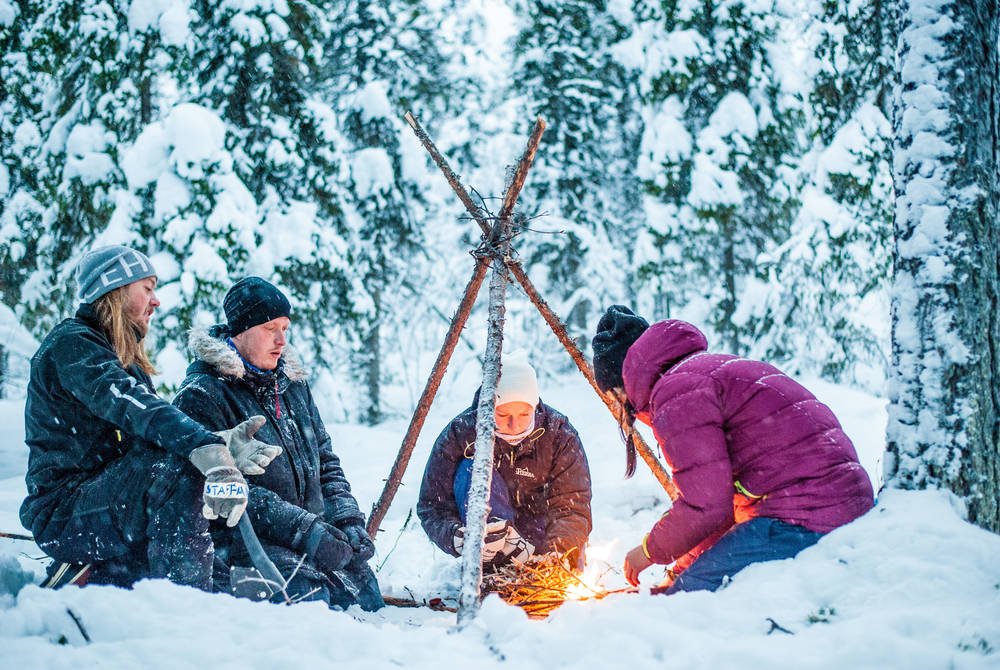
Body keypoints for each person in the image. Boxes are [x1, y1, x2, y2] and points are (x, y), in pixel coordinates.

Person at [21, 245, 280, 590]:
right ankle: (187, 604)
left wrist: (220, 444)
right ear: (113, 290)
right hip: (63, 513)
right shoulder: (72, 345)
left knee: (185, 472)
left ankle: (193, 593)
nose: (156, 301)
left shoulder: (119, 357)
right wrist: (204, 446)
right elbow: (135, 407)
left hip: (107, 501)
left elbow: (149, 434)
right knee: (177, 472)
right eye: (147, 288)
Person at [591, 305, 875, 593]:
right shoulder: (701, 372)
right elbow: (720, 504)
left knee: (690, 601)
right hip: (842, 501)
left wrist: (648, 552)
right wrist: (682, 568)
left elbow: (706, 506)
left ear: (619, 387)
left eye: (613, 397)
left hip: (805, 516)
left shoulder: (677, 396)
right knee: (684, 584)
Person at [173, 277, 383, 611]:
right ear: (239, 331)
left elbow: (325, 459)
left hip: (309, 537)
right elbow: (218, 488)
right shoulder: (203, 395)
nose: (281, 339)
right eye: (270, 327)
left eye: (285, 327)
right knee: (309, 604)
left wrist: (347, 520)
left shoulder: (292, 385)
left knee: (367, 598)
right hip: (245, 545)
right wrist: (305, 531)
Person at [418, 351, 592, 571]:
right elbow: (432, 506)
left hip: (542, 536)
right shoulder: (460, 434)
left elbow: (573, 505)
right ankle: (495, 555)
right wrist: (456, 536)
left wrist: (559, 549)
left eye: (523, 414)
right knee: (470, 468)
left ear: (535, 406)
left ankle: (543, 566)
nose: (514, 424)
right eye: (502, 415)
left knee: (558, 562)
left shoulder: (559, 435)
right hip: (490, 541)